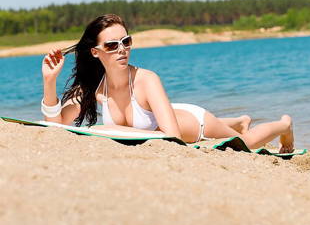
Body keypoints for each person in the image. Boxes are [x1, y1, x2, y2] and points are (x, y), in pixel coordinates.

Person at [41, 14, 294, 152]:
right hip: (168, 113)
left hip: (197, 124)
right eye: (111, 45)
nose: (121, 50)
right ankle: (239, 121)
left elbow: (172, 137)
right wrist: (49, 82)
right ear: (96, 52)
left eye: (126, 42)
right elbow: (57, 127)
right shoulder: (95, 87)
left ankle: (284, 125)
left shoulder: (146, 79)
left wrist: (116, 132)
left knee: (246, 145)